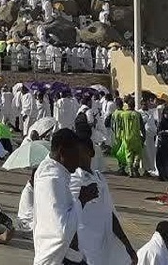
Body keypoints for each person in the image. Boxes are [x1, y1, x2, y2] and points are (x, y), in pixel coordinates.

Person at [33, 129, 100, 265]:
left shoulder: (55, 171)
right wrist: (81, 199)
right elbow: (60, 232)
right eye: (75, 155)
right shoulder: (51, 179)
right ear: (62, 152)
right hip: (58, 256)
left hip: (70, 255)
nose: (78, 162)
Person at [70, 137, 134, 265]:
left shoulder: (99, 178)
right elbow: (69, 215)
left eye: (80, 151)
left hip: (103, 245)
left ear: (91, 153)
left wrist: (127, 244)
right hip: (84, 246)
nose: (77, 156)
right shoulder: (73, 179)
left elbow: (109, 212)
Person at [111, 98, 144, 176]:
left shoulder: (123, 114)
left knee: (128, 153)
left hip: (125, 137)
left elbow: (119, 126)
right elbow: (142, 127)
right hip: (136, 137)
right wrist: (144, 137)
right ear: (134, 105)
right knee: (138, 153)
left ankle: (130, 170)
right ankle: (135, 167)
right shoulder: (137, 114)